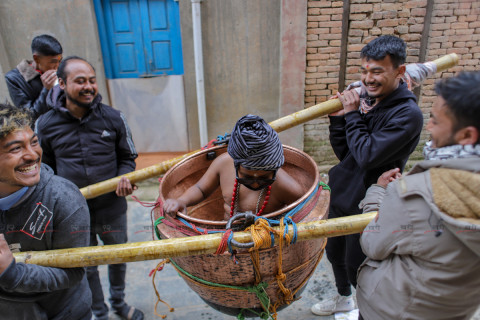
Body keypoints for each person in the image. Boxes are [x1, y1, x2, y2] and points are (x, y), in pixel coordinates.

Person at [311, 35, 424, 316]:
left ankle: (366, 309)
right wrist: (339, 119)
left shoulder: (407, 114)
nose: (367, 79)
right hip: (342, 193)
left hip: (369, 202)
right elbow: (349, 154)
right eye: (364, 71)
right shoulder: (370, 102)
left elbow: (367, 155)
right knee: (334, 254)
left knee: (356, 264)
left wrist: (351, 114)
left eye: (376, 71)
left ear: (399, 71)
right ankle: (343, 300)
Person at [356, 71, 480, 320]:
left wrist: (379, 193)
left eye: (434, 120)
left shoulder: (415, 196)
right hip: (454, 309)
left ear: (467, 135)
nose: (429, 126)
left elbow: (373, 244)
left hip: (395, 310)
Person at [36, 56, 143, 320]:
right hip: (72, 214)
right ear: (61, 83)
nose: (88, 86)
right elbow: (44, 171)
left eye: (92, 81)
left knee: (117, 255)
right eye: (80, 81)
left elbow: (128, 157)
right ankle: (99, 311)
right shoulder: (45, 125)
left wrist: (124, 176)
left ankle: (119, 303)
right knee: (87, 264)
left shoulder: (114, 118)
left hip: (112, 209)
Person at [0, 102, 91, 319]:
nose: (32, 155)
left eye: (34, 143)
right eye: (16, 148)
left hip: (64, 313)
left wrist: (11, 273)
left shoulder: (64, 198)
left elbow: (73, 272)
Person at [163, 114, 304, 220]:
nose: (255, 182)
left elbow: (305, 212)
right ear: (236, 164)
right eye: (247, 177)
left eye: (264, 178)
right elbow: (201, 189)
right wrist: (181, 201)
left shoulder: (286, 186)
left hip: (265, 245)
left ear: (275, 168)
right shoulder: (223, 164)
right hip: (227, 237)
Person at [5, 34, 62, 119]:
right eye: (52, 62)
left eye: (60, 61)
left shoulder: (63, 68)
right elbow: (29, 116)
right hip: (45, 129)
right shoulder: (14, 78)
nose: (57, 66)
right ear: (36, 59)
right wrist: (46, 90)